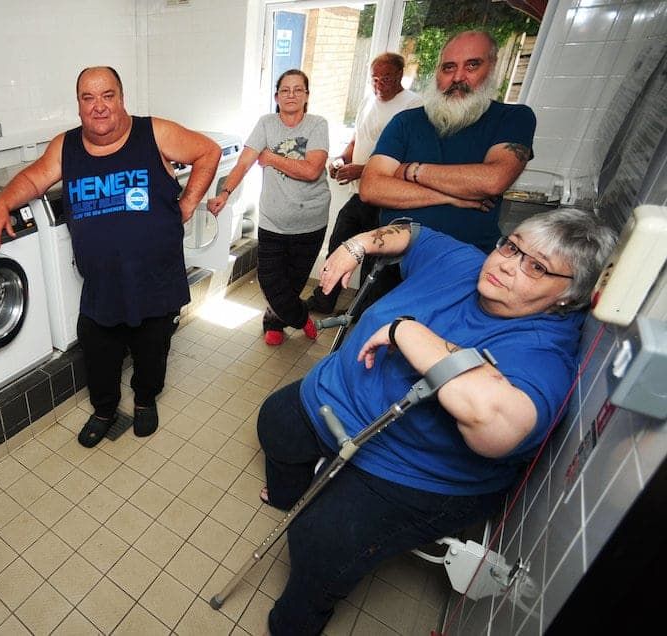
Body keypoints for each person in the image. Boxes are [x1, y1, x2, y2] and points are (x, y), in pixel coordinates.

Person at [256, 208, 617, 635]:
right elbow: (411, 233)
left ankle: (293, 623)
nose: (506, 263)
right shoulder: (463, 264)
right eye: (511, 246)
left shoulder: (543, 352)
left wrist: (406, 332)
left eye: (536, 267)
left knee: (319, 541)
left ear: (568, 296)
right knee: (276, 422)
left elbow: (496, 428)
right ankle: (289, 496)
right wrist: (357, 246)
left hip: (411, 468)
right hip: (335, 398)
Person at [0, 66, 221, 448]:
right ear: (78, 105)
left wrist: (189, 200)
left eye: (107, 96)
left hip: (156, 277)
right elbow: (32, 179)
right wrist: (1, 203)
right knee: (98, 348)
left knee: (153, 347)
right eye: (88, 98)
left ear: (121, 98)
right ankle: (105, 409)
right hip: (102, 282)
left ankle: (145, 399)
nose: (99, 107)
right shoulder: (66, 146)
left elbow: (207, 151)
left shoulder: (153, 132)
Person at [358, 30, 537, 303]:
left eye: (472, 65)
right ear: (437, 73)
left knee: (434, 345)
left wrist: (411, 171)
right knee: (371, 340)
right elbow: (371, 187)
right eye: (449, 67)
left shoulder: (513, 119)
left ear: (493, 69)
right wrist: (454, 195)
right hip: (393, 265)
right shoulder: (407, 122)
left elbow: (493, 180)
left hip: (463, 270)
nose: (458, 78)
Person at [207, 69, 330, 346]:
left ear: (307, 96)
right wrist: (225, 193)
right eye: (285, 90)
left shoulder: (317, 125)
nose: (291, 95)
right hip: (273, 220)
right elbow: (244, 162)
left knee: (294, 281)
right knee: (271, 279)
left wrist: (271, 157)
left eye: (298, 89)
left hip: (311, 221)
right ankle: (301, 317)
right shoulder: (266, 124)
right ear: (276, 96)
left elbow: (312, 170)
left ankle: (273, 320)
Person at [305, 52, 422, 315]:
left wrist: (361, 170)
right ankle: (324, 300)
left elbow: (408, 160)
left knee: (375, 260)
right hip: (359, 195)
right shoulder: (369, 101)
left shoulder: (413, 106)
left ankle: (364, 313)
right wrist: (340, 159)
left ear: (400, 76)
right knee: (338, 246)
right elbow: (358, 139)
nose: (379, 85)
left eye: (386, 79)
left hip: (385, 200)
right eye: (375, 79)